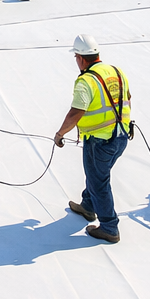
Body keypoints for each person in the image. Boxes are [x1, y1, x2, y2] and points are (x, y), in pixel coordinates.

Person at [53, 35, 132, 244]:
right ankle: (88, 206)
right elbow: (127, 98)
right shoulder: (116, 71)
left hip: (100, 141)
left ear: (80, 58)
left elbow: (75, 113)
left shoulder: (85, 81)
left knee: (98, 181)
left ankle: (109, 227)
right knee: (97, 174)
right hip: (121, 136)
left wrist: (60, 134)